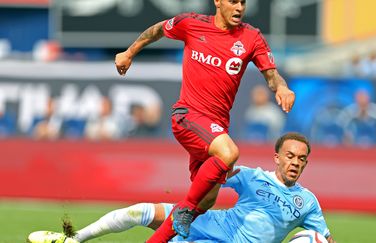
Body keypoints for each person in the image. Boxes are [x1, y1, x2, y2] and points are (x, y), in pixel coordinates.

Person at [114, 0, 295, 241]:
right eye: (233, 1)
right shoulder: (191, 24)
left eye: (243, 2)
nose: (239, 7)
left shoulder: (252, 37)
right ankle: (186, 210)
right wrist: (129, 52)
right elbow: (158, 29)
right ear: (218, 2)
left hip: (215, 128)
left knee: (206, 200)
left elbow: (272, 75)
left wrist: (281, 88)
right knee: (228, 153)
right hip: (187, 115)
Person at [27, 132, 335, 243]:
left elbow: (325, 240)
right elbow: (214, 171)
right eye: (290, 156)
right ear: (278, 157)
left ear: (306, 164)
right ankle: (73, 240)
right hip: (209, 223)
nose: (295, 162)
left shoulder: (306, 202)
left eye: (302, 159)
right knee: (139, 211)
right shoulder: (253, 177)